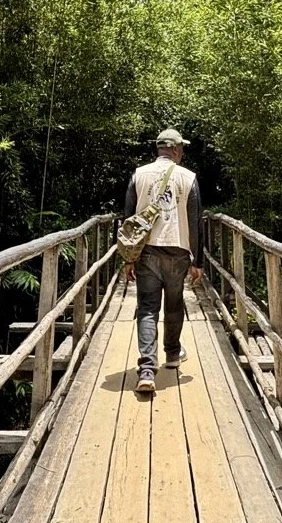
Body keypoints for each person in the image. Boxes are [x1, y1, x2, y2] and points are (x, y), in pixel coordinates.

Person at [122, 128, 204, 393]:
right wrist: (197, 261)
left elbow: (129, 219)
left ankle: (146, 370)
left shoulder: (139, 175)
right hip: (178, 251)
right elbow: (195, 223)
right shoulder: (188, 177)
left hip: (146, 251)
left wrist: (128, 259)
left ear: (158, 149)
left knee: (147, 308)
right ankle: (171, 354)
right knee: (174, 304)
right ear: (177, 150)